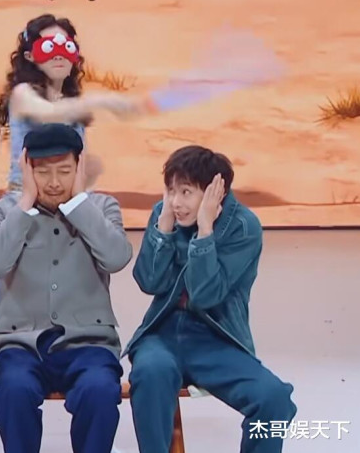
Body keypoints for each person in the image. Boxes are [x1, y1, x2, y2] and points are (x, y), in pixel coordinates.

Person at [0, 14, 155, 448]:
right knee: (4, 340)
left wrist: (78, 189)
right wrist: (107, 102)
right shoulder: (26, 95)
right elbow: (50, 114)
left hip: (72, 209)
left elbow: (115, 254)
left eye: (67, 46)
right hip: (22, 211)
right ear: (29, 53)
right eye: (48, 47)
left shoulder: (72, 108)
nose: (59, 55)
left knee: (95, 385)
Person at [123, 146, 297, 453]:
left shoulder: (243, 226)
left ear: (217, 192)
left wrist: (205, 232)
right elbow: (149, 282)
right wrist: (163, 230)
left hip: (215, 337)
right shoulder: (165, 213)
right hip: (162, 334)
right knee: (151, 372)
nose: (176, 202)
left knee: (273, 398)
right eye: (171, 190)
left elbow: (206, 295)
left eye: (186, 192)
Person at [0, 123, 134, 453]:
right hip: (21, 343)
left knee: (99, 391)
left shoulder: (102, 208)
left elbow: (116, 258)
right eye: (42, 172)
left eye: (64, 171)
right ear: (26, 168)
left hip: (89, 342)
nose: (53, 182)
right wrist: (24, 203)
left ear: (80, 166)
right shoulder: (3, 211)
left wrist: (78, 202)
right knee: (13, 392)